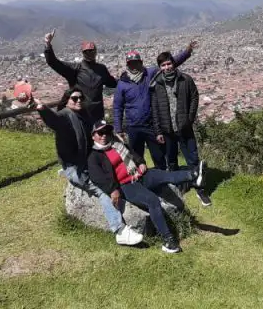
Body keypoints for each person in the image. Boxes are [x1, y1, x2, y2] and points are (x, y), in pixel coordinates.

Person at [32, 89, 143, 246]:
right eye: (74, 98)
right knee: (102, 190)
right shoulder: (65, 114)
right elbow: (54, 121)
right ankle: (119, 230)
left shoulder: (83, 116)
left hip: (85, 162)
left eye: (81, 98)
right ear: (66, 100)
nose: (78, 100)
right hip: (75, 167)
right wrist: (42, 109)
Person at [86, 120, 204, 253]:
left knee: (165, 175)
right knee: (152, 200)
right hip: (126, 185)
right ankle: (168, 240)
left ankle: (193, 176)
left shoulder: (117, 145)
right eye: (100, 133)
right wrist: (113, 190)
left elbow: (134, 155)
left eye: (106, 132)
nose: (104, 135)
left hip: (139, 175)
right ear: (93, 136)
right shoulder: (94, 156)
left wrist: (141, 162)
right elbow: (97, 177)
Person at [113, 40, 198, 169]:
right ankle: (142, 182)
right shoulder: (122, 83)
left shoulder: (149, 74)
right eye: (131, 63)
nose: (134, 65)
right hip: (133, 126)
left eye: (136, 62)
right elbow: (117, 107)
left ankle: (164, 179)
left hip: (150, 124)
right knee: (137, 156)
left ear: (141, 62)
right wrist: (118, 129)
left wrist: (187, 52)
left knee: (159, 156)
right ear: (127, 65)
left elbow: (169, 63)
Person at [150, 51, 211, 206]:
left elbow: (195, 97)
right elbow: (155, 110)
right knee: (171, 160)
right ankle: (178, 187)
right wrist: (158, 131)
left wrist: (189, 119)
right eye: (163, 65)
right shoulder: (157, 85)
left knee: (192, 158)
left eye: (169, 63)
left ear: (174, 64)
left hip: (184, 127)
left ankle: (200, 189)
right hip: (167, 129)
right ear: (160, 67)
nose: (167, 67)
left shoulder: (185, 80)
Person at [43, 29, 117, 123]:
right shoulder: (75, 69)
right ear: (83, 53)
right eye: (87, 51)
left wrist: (127, 79)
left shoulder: (101, 69)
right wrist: (48, 44)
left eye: (92, 51)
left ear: (96, 52)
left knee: (96, 137)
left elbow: (112, 83)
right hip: (79, 113)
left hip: (97, 114)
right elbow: (54, 62)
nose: (90, 53)